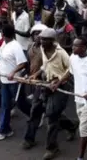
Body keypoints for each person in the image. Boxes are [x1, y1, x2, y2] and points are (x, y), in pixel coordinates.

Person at [23, 28, 78, 160]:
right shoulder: (43, 48)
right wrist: (35, 75)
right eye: (41, 39)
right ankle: (29, 139)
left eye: (44, 39)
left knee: (52, 116)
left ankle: (52, 148)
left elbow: (70, 70)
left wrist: (58, 82)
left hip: (59, 86)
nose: (41, 41)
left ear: (52, 41)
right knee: (35, 110)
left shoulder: (62, 53)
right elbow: (45, 66)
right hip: (44, 83)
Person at [0, 23, 31, 140]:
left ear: (3, 34)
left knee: (21, 104)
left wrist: (12, 72)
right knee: (5, 106)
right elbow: (0, 59)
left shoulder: (15, 46)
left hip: (14, 82)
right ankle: (4, 130)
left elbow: (23, 63)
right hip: (4, 81)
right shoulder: (4, 45)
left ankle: (35, 115)